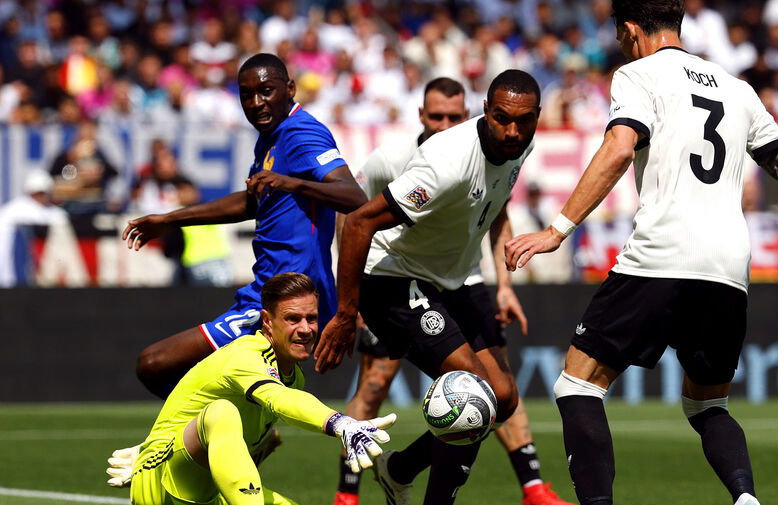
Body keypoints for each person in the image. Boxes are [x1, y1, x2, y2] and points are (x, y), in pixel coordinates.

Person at [504, 2, 778, 505]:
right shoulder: (737, 88)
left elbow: (619, 148)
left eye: (619, 37)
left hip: (661, 254)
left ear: (629, 30)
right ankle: (746, 499)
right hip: (728, 268)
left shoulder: (638, 74)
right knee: (708, 406)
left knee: (578, 386)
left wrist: (556, 230)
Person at [332, 77, 573, 505]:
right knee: (471, 392)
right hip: (395, 277)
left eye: (523, 121)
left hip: (453, 279)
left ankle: (398, 470)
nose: (512, 131)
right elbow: (357, 221)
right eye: (502, 118)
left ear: (537, 118)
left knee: (503, 398)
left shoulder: (520, 145)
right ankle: (354, 490)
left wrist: (503, 284)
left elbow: (494, 207)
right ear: (484, 110)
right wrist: (346, 313)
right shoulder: (444, 163)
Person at [122, 53, 367, 399]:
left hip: (288, 294)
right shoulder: (270, 137)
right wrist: (170, 219)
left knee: (154, 364)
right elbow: (253, 201)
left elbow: (354, 197)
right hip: (267, 290)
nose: (256, 103)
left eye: (266, 91)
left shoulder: (302, 132)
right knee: (222, 392)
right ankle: (246, 423)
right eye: (247, 95)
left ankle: (242, 421)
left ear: (290, 89)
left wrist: (292, 183)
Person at [109, 272, 396, 505]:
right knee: (221, 412)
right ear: (268, 322)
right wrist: (341, 424)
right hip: (161, 479)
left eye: (311, 318)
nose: (306, 329)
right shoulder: (246, 354)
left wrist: (264, 442)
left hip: (207, 490)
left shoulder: (292, 375)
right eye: (293, 319)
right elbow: (280, 399)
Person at [0, 170, 68, 287]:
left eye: (43, 193)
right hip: (11, 259)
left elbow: (58, 218)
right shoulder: (17, 208)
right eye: (37, 193)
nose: (41, 197)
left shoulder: (50, 210)